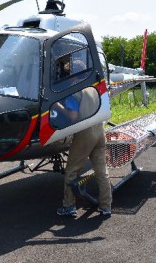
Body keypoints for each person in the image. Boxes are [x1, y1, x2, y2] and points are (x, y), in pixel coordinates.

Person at [56, 87, 112, 218]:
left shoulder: (75, 91)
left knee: (72, 170)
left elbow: (72, 115)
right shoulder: (93, 88)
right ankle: (106, 206)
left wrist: (58, 106)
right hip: (100, 131)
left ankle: (68, 206)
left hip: (85, 132)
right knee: (102, 171)